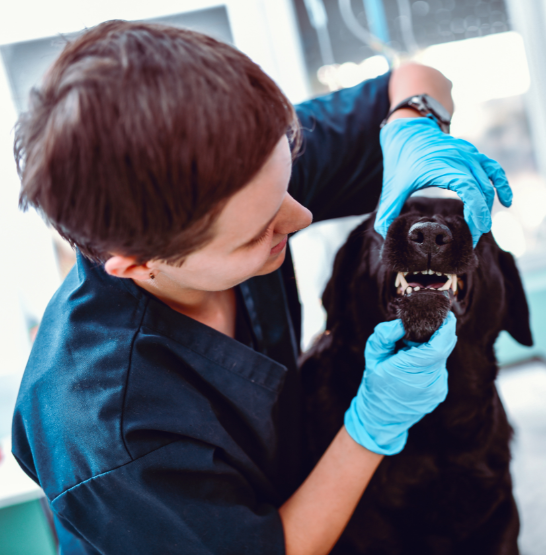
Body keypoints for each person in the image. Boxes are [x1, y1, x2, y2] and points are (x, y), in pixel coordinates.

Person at [10, 20, 512, 555]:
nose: (300, 216)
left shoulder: (238, 165)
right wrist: (374, 424)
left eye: (285, 182)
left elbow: (419, 75)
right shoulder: (104, 428)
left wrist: (417, 125)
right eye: (259, 231)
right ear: (137, 265)